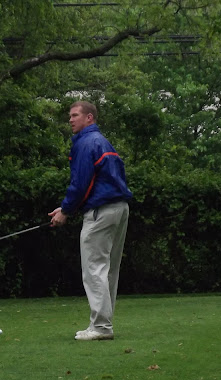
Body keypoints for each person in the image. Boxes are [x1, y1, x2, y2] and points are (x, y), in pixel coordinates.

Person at [49, 101, 132, 341]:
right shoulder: (103, 142)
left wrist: (66, 211)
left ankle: (101, 327)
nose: (70, 119)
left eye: (75, 115)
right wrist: (67, 208)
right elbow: (102, 181)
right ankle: (102, 324)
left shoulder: (86, 143)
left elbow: (81, 183)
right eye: (70, 115)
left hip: (101, 212)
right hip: (119, 208)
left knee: (94, 268)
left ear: (89, 118)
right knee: (108, 270)